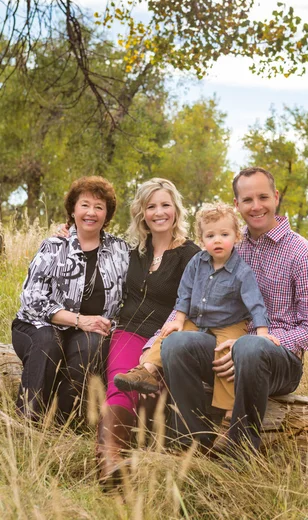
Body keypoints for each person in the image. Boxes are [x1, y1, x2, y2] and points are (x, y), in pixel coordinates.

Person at [159, 167, 308, 453]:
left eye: (263, 197)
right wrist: (157, 342)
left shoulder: (301, 253)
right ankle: (192, 444)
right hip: (222, 346)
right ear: (237, 205)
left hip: (277, 360)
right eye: (247, 199)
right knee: (176, 344)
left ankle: (238, 450)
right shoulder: (228, 243)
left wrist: (255, 344)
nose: (256, 206)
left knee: (249, 348)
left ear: (275, 197)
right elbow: (193, 299)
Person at [114, 203, 277, 418]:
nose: (217, 240)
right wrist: (178, 320)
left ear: (236, 236)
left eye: (224, 234)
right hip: (198, 319)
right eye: (210, 236)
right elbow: (185, 292)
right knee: (168, 334)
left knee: (225, 355)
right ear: (202, 240)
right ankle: (147, 371)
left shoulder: (242, 271)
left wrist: (263, 334)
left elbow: (256, 304)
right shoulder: (196, 262)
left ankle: (227, 408)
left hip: (230, 323)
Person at [97, 178, 199, 485]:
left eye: (165, 205)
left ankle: (136, 459)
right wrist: (67, 231)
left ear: (176, 210)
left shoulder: (191, 255)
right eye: (151, 206)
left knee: (150, 393)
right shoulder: (131, 251)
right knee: (120, 382)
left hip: (163, 339)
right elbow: (91, 243)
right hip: (127, 330)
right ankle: (110, 462)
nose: (159, 212)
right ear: (142, 212)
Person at [12, 176, 130, 423]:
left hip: (90, 332)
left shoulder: (120, 250)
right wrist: (79, 320)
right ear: (73, 209)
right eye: (85, 205)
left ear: (107, 215)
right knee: (48, 342)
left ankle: (60, 424)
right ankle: (27, 423)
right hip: (38, 326)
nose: (91, 212)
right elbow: (32, 299)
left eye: (99, 207)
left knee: (92, 345)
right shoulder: (54, 245)